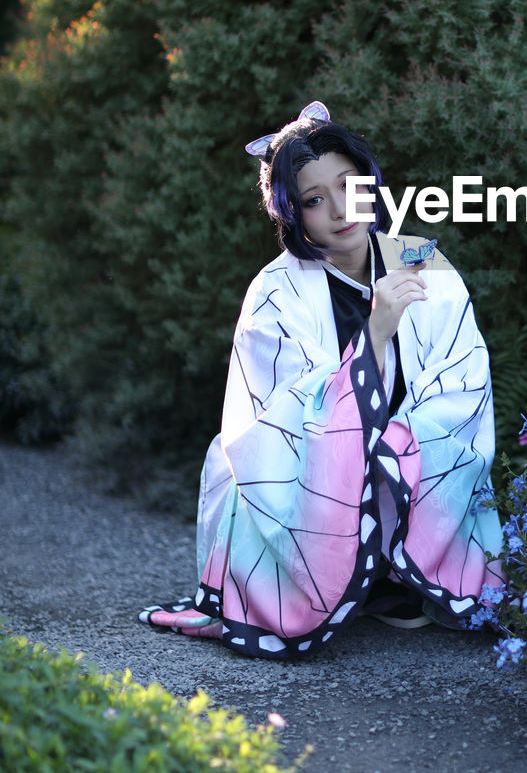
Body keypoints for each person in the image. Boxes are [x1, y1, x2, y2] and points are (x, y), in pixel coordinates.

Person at [140, 101, 504, 658]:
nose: (340, 210)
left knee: (421, 443)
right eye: (314, 200)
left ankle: (398, 577)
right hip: (309, 497)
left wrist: (401, 441)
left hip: (405, 471)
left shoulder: (422, 260)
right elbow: (281, 420)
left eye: (347, 185)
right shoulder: (275, 291)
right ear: (294, 215)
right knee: (324, 452)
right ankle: (332, 586)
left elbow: (464, 382)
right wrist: (376, 336)